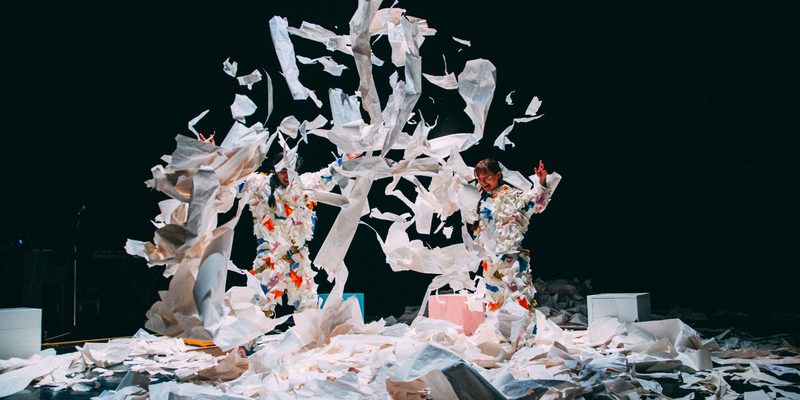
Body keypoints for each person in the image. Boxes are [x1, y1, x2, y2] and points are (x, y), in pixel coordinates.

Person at [237, 153, 355, 316]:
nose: (287, 175)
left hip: (297, 257)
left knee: (308, 303)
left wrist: (347, 159)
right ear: (276, 170)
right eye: (283, 171)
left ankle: (311, 338)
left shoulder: (305, 184)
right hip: (269, 258)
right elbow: (232, 177)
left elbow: (328, 175)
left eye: (290, 170)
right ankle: (248, 339)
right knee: (261, 302)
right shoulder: (260, 184)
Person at [471, 158, 561, 315]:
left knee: (519, 299)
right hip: (491, 262)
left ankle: (520, 338)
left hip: (511, 259)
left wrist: (541, 181)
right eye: (479, 179)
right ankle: (499, 337)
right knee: (495, 302)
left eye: (487, 177)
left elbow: (536, 203)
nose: (483, 182)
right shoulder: (482, 200)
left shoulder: (512, 195)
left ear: (498, 175)